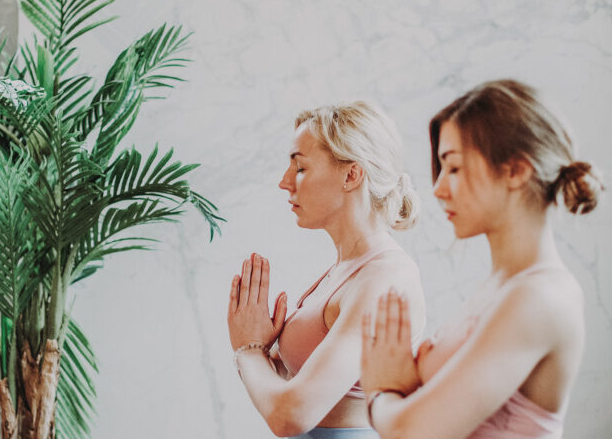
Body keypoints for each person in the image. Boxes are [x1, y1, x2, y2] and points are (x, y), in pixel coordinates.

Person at [360, 79, 604, 439]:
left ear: (516, 171)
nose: (439, 188)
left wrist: (381, 391)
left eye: (454, 168)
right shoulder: (504, 286)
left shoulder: (540, 297)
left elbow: (410, 431)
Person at [227, 102, 427, 438]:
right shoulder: (346, 270)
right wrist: (261, 350)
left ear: (351, 175)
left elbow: (290, 416)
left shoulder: (384, 278)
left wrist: (248, 351)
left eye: (301, 168)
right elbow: (283, 387)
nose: (284, 182)